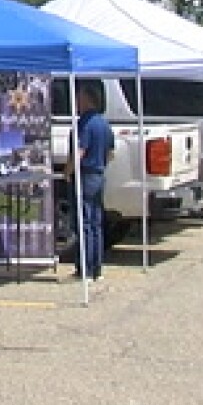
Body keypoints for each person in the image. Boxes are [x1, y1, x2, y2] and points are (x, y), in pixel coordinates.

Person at [73, 80, 115, 281]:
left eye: (79, 97)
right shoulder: (104, 123)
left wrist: (67, 171)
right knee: (96, 223)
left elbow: (79, 151)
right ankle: (97, 267)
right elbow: (110, 153)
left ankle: (86, 268)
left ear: (87, 98)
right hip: (99, 174)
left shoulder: (85, 123)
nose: (76, 101)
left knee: (84, 223)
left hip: (86, 174)